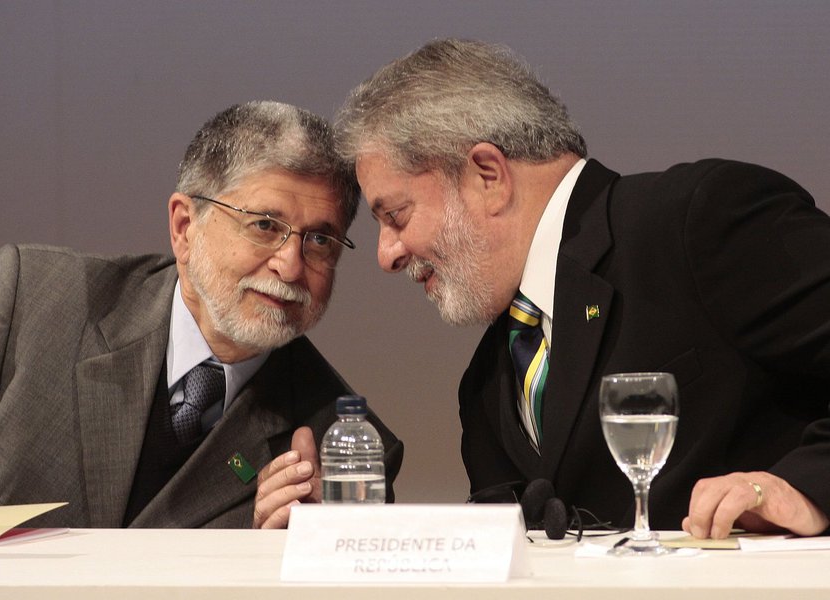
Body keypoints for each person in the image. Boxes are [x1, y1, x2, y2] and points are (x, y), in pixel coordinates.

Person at [334, 38, 830, 539]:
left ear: (488, 176)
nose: (386, 255)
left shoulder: (699, 221)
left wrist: (804, 487)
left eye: (395, 216)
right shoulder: (486, 385)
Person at [0, 101, 403, 529]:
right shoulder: (29, 299)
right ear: (184, 228)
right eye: (265, 226)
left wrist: (288, 566)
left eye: (320, 239)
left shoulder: (341, 452)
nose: (290, 266)